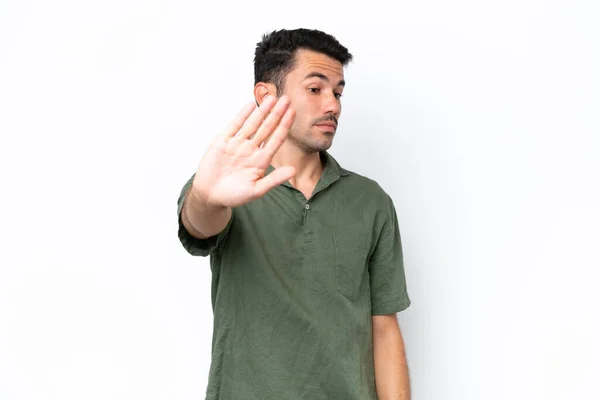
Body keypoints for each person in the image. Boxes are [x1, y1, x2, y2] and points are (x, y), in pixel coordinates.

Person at [177, 28, 411, 400]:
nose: (333, 105)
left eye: (338, 92)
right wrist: (206, 197)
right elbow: (199, 225)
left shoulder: (371, 201)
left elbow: (384, 329)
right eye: (315, 89)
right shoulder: (227, 186)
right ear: (266, 96)